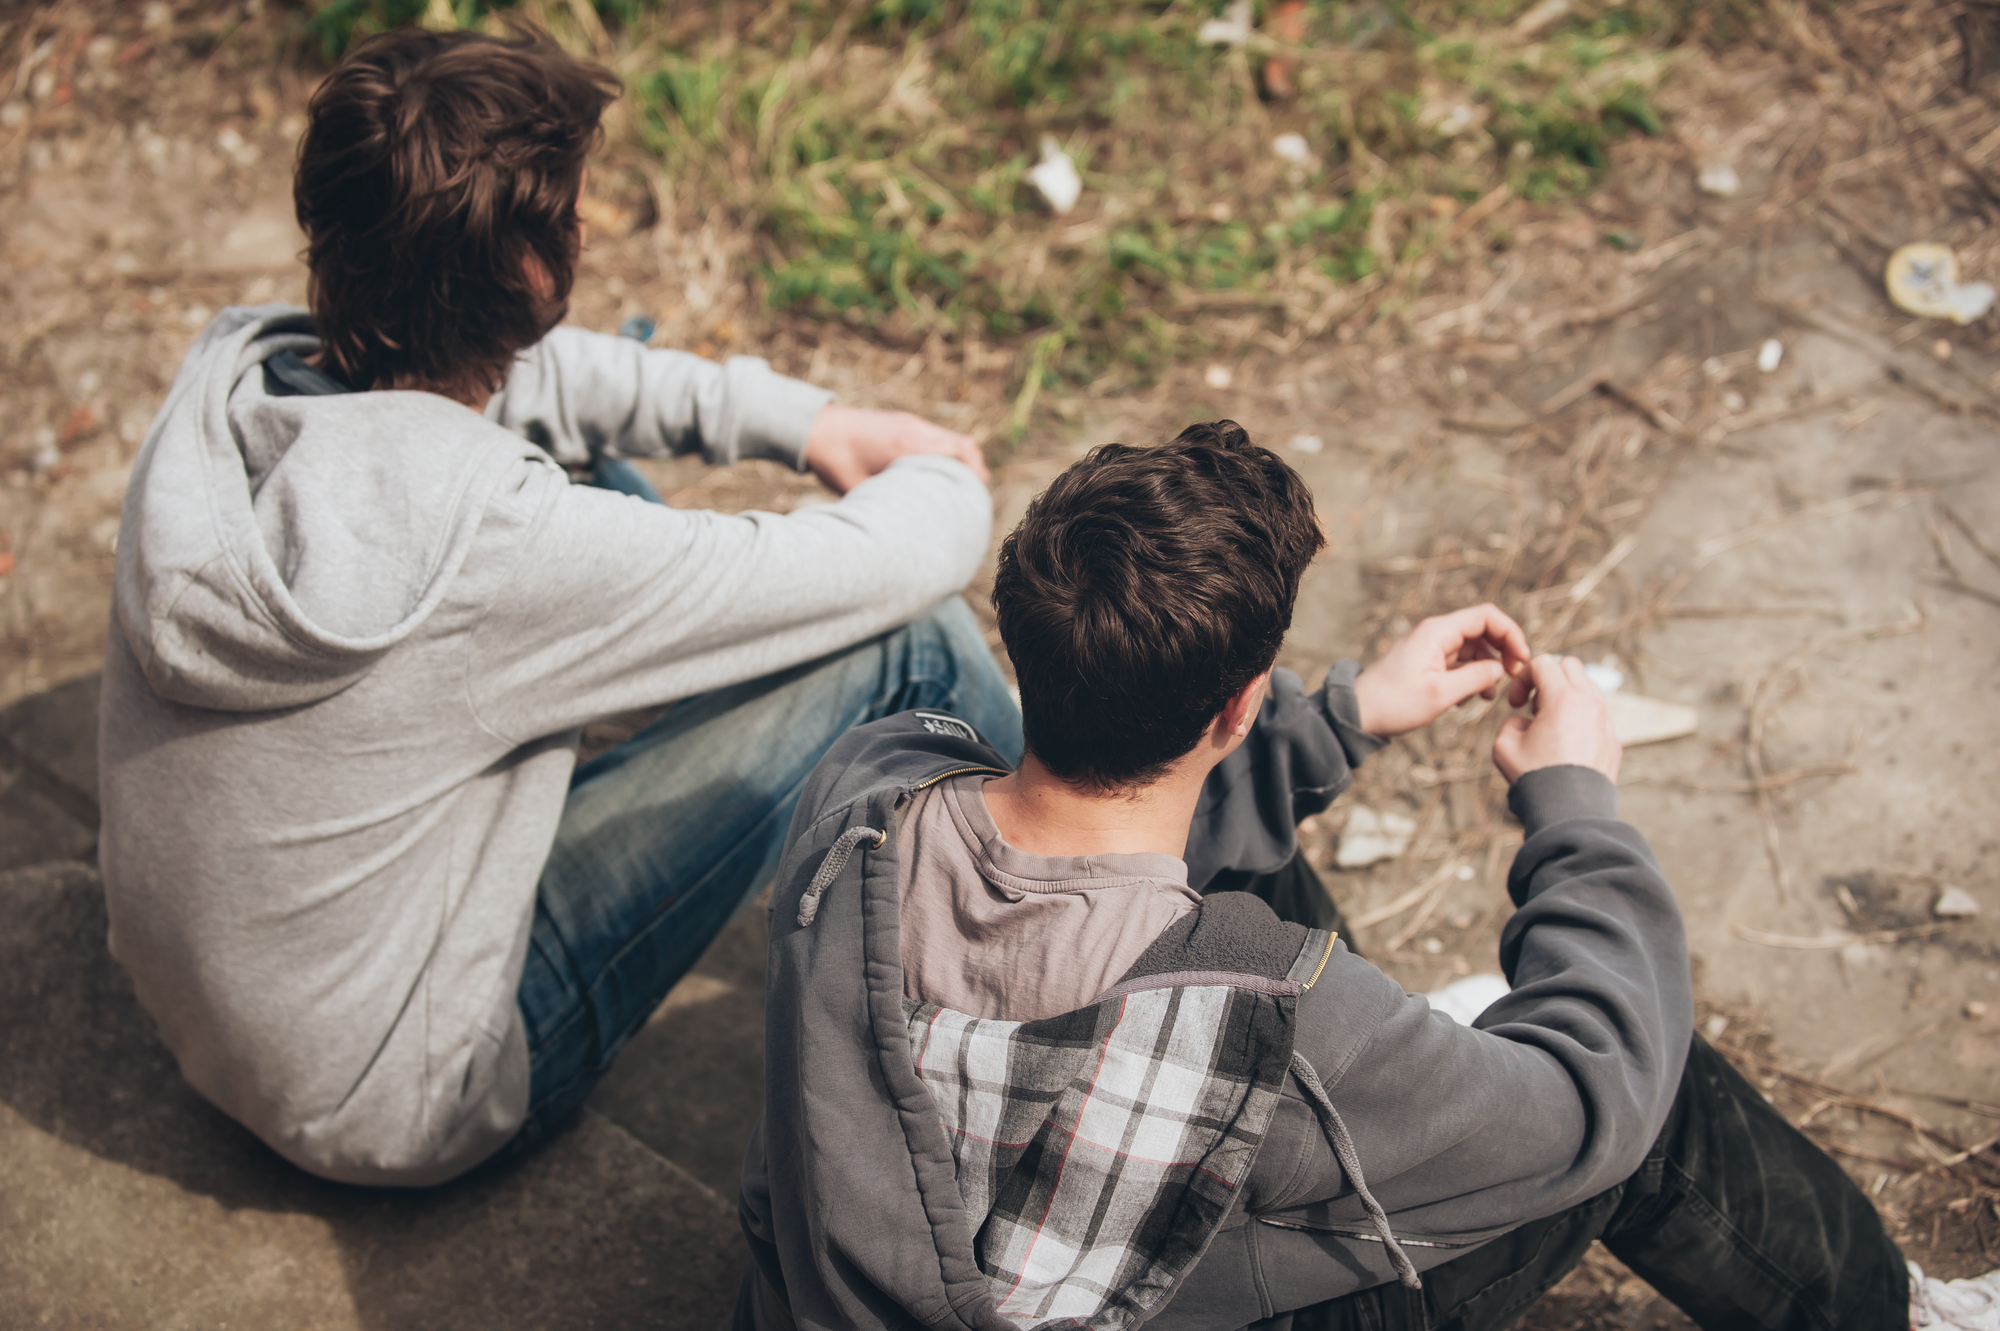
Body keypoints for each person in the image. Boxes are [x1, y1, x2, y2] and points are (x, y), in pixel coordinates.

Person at [736, 422, 1916, 1331]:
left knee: (1251, 889)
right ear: (1239, 703)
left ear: (1026, 642)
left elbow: (1084, 843)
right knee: (1648, 1098)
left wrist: (1343, 720)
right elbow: (1591, 1100)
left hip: (857, 1284)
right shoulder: (1272, 1023)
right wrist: (1572, 808)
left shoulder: (866, 795)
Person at [96, 24, 1018, 1187]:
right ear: (531, 270)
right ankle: (1139, 891)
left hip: (234, 1016)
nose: (587, 227)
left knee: (593, 490)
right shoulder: (497, 544)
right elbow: (882, 567)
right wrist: (941, 475)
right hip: (402, 1087)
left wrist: (809, 422)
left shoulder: (234, 377)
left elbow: (541, 380)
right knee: (914, 648)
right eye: (574, 213)